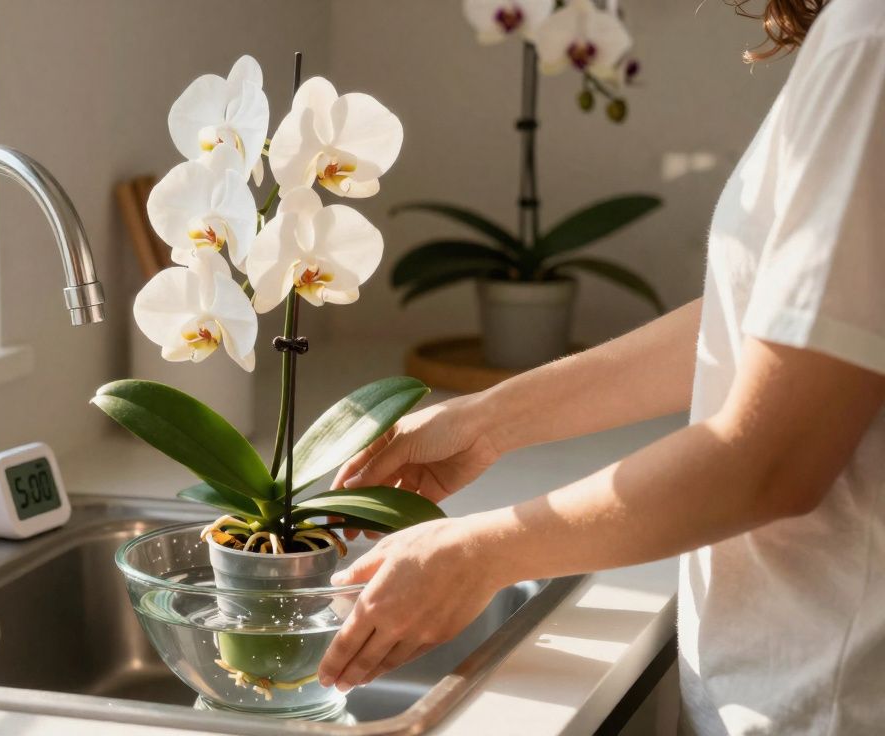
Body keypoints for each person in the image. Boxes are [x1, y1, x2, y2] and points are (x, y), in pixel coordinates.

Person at [316, 1, 885, 732]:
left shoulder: (869, 40)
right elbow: (771, 324)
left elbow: (775, 460)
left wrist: (483, 552)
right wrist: (490, 420)